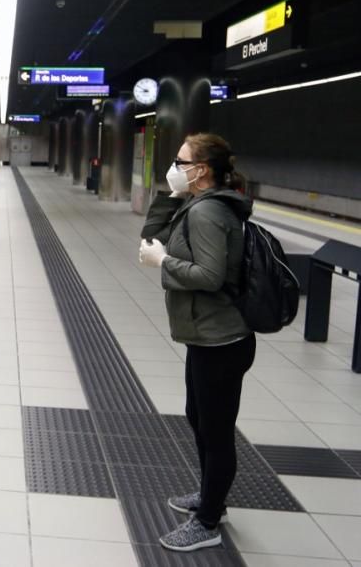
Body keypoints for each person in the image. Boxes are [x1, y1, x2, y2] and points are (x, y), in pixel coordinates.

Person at [138, 133, 254, 553]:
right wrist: (171, 194)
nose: (175, 164)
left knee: (216, 429)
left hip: (221, 340)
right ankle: (209, 496)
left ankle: (208, 519)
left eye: (181, 161)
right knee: (199, 417)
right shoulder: (195, 202)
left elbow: (209, 276)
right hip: (205, 336)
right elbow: (151, 234)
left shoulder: (208, 213)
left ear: (201, 170)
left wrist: (164, 262)